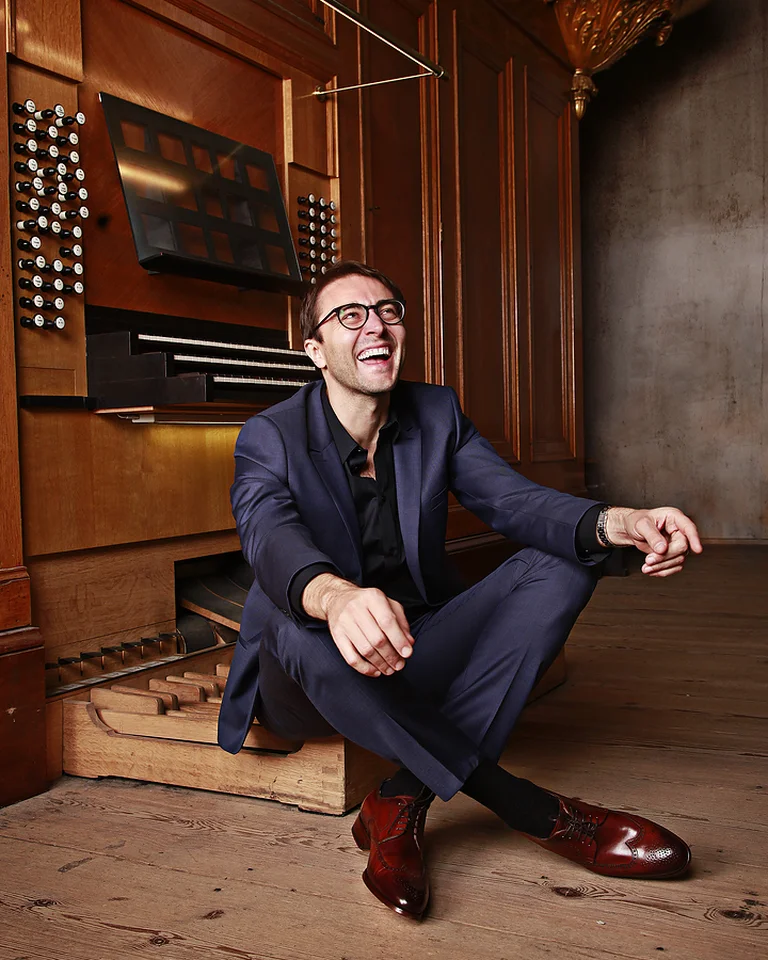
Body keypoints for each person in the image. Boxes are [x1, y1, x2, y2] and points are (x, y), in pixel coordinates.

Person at [218, 260, 703, 921]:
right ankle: (534, 811)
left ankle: (398, 799)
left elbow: (515, 502)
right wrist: (334, 598)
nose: (375, 326)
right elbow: (268, 535)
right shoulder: (270, 435)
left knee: (560, 561)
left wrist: (620, 522)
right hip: (306, 683)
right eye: (349, 316)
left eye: (389, 311)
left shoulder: (436, 412)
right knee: (282, 609)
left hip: (417, 647)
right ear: (315, 351)